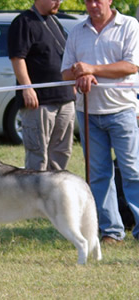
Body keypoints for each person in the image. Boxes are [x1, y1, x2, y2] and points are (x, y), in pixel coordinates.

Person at [61, 0, 139, 244]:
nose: (93, 5)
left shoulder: (128, 25)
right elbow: (65, 73)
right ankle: (111, 231)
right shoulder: (76, 31)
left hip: (122, 109)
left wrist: (91, 70)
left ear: (110, 1)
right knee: (98, 175)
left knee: (133, 172)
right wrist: (80, 72)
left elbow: (131, 65)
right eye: (88, 0)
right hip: (88, 113)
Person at [7, 0, 75, 172]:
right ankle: (35, 196)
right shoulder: (23, 22)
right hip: (40, 102)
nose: (59, 2)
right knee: (38, 155)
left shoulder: (55, 21)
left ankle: (56, 193)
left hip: (64, 99)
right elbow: (17, 58)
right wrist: (27, 88)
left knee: (62, 152)